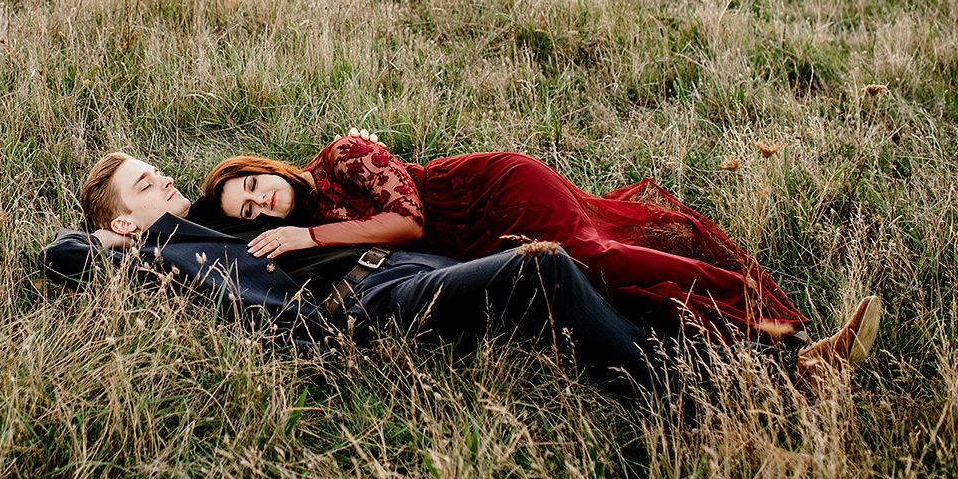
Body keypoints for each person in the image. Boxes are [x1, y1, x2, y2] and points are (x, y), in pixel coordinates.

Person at [38, 152, 881, 398]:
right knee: (540, 272)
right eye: (146, 186)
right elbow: (57, 253)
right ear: (119, 218)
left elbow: (292, 196)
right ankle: (705, 397)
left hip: (414, 258)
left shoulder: (217, 218)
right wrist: (112, 249)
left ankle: (789, 362)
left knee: (585, 281)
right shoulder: (157, 255)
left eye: (160, 173)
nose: (168, 185)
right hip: (371, 300)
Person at [200, 134, 811, 343]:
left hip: (496, 192)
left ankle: (767, 314)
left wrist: (307, 234)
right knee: (603, 287)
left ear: (267, 167)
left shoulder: (341, 156)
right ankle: (742, 342)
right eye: (251, 210)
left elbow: (409, 222)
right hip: (479, 241)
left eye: (255, 183)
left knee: (597, 257)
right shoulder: (317, 212)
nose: (263, 200)